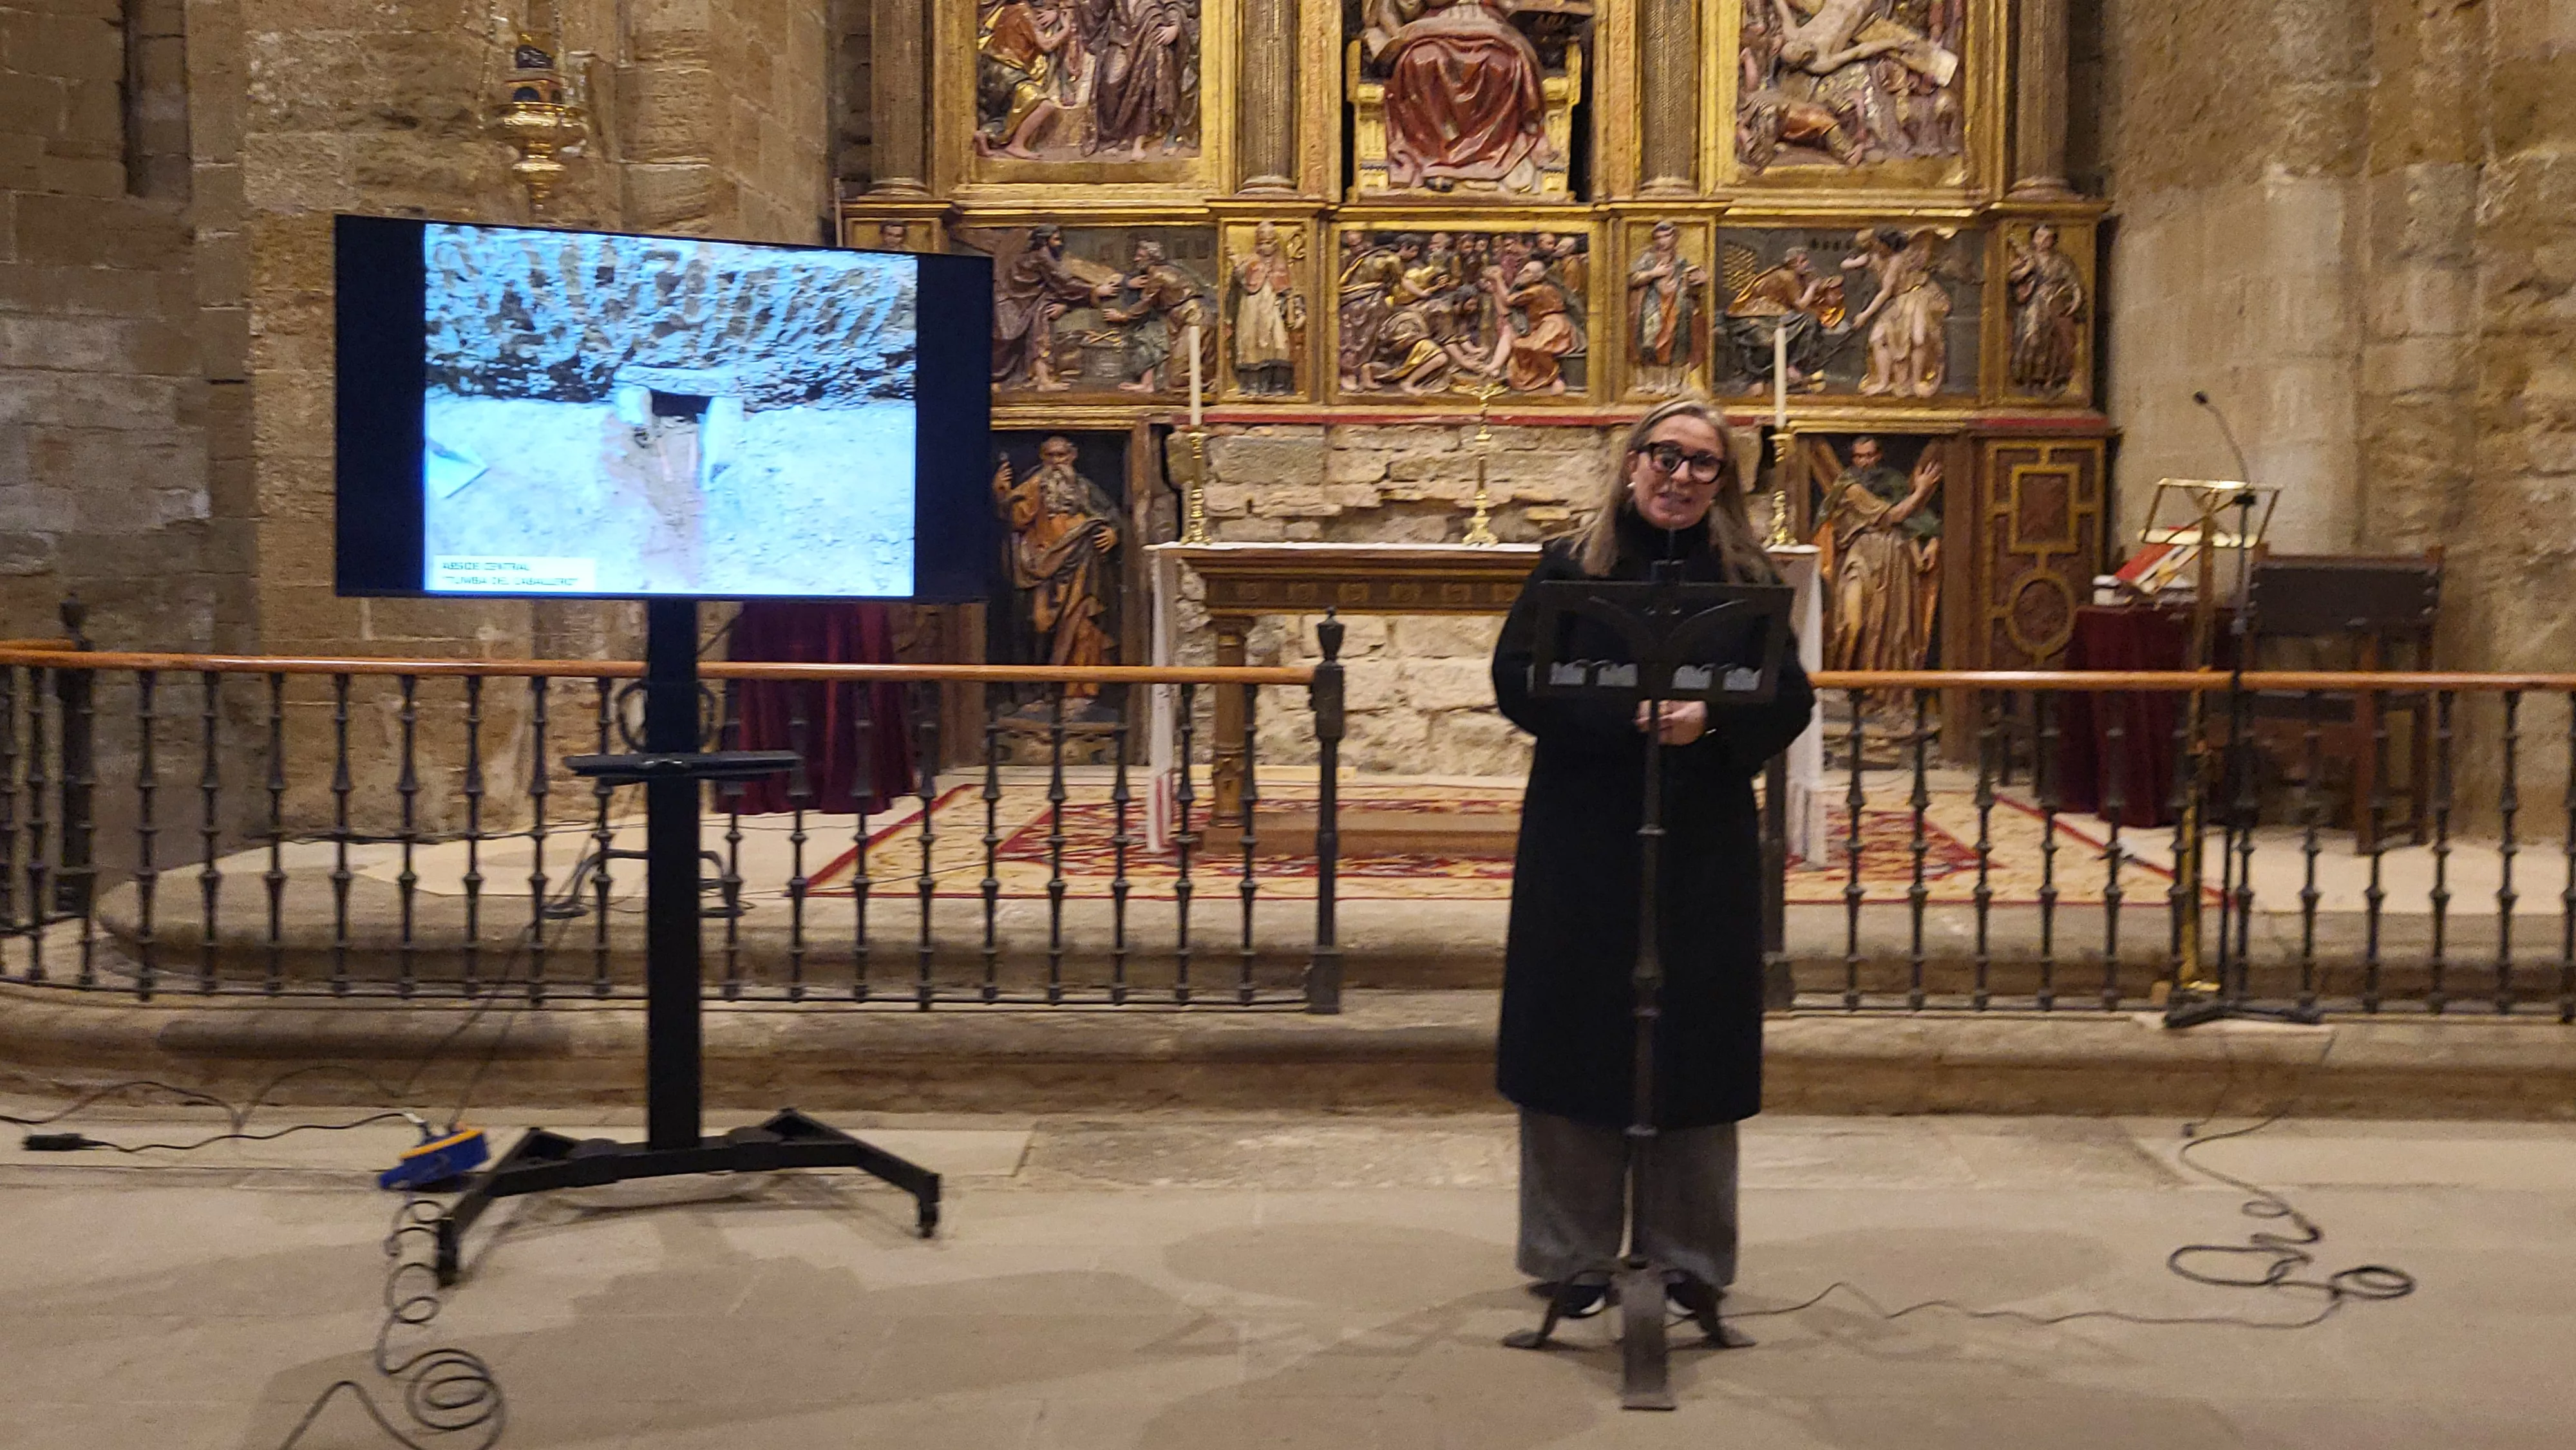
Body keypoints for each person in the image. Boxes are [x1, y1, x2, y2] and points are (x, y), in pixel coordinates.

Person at [1489, 395, 1816, 1337]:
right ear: (1631, 464)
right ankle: (1571, 1257)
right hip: (1585, 829)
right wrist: (1618, 718)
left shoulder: (1743, 576)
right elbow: (1517, 678)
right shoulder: (1571, 566)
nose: (1679, 476)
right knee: (1574, 1025)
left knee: (1695, 1034)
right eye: (1664, 456)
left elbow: (1787, 699)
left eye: (1702, 463)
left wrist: (1707, 723)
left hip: (1701, 830)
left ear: (1725, 483)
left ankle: (1689, 1260)